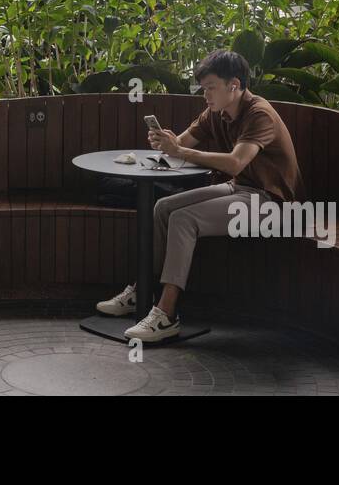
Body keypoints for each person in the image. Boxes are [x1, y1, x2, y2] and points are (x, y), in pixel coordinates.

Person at [95, 49, 306, 342]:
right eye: (203, 88)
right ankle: (141, 290)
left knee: (184, 219)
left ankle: (166, 315)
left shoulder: (260, 114)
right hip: (241, 189)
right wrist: (166, 143)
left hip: (273, 204)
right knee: (163, 207)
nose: (205, 95)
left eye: (211, 88)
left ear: (234, 85)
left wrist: (179, 151)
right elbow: (181, 145)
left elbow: (235, 162)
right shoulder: (215, 112)